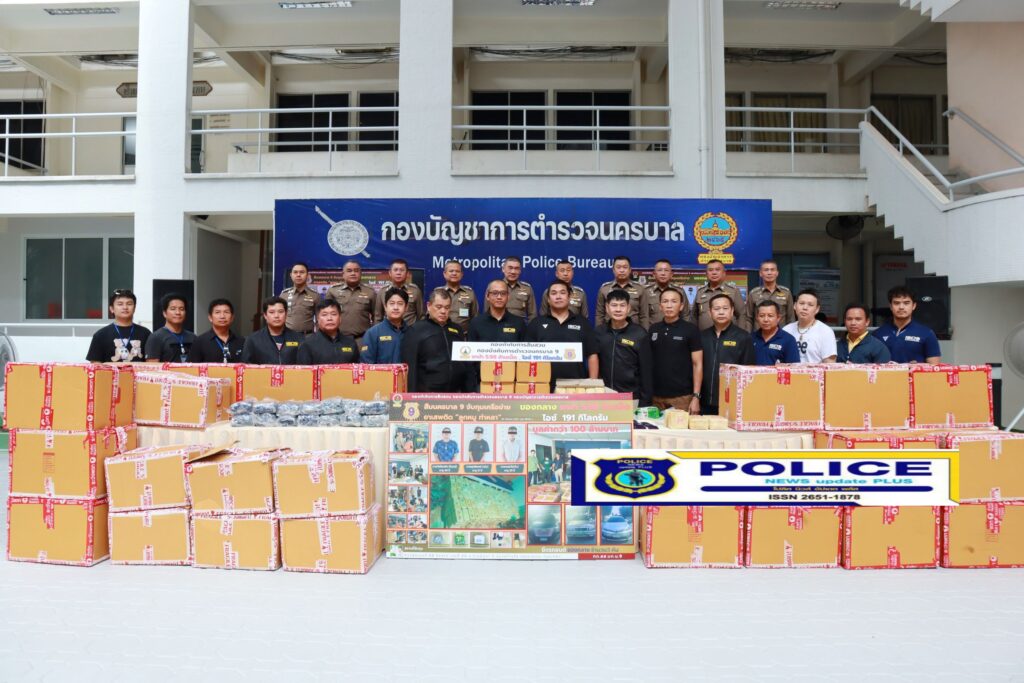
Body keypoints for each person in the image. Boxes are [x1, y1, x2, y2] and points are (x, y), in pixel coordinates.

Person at [525, 281, 600, 391]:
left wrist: (593, 386)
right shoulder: (536, 324)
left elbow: (592, 355)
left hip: (576, 387)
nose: (558, 296)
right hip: (544, 387)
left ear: (569, 297)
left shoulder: (583, 323)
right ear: (548, 299)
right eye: (554, 293)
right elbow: (526, 357)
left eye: (562, 293)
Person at [400, 289, 468, 391]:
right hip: (427, 393)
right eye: (439, 307)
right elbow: (410, 368)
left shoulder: (457, 330)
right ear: (429, 306)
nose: (443, 311)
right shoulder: (416, 330)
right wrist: (411, 395)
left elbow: (464, 364)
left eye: (447, 307)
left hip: (454, 393)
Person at [699, 293, 755, 416]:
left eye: (725, 308)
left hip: (732, 401)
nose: (721, 312)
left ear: (732, 311)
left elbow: (748, 371)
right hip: (704, 402)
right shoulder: (702, 337)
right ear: (710, 312)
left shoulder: (743, 337)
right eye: (716, 309)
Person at [595, 289, 653, 406]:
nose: (618, 309)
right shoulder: (599, 333)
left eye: (622, 305)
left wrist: (645, 402)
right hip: (604, 395)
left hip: (631, 397)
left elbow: (647, 371)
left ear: (628, 308)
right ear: (607, 308)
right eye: (614, 305)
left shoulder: (640, 334)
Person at [648, 287, 702, 413]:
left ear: (681, 306)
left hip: (682, 397)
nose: (669, 305)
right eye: (665, 301)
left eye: (673, 301)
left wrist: (696, 397)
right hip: (656, 397)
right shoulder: (653, 329)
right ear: (660, 306)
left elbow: (697, 364)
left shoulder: (691, 330)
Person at [872, 286, 941, 364]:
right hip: (885, 372)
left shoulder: (927, 333)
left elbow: (934, 367)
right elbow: (870, 365)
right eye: (896, 303)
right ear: (891, 306)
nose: (901, 307)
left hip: (914, 372)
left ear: (914, 306)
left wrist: (919, 366)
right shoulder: (878, 334)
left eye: (906, 303)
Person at [86, 288, 151, 362]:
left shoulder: (146, 333)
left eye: (129, 304)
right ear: (111, 309)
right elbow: (95, 364)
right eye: (120, 304)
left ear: (134, 308)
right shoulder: (100, 335)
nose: (125, 307)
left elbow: (151, 363)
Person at [241, 296, 304, 365]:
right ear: (265, 315)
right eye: (272, 312)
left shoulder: (299, 338)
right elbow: (246, 367)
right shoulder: (253, 340)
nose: (276, 316)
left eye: (280, 312)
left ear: (286, 314)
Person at [324, 260, 376, 342]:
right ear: (343, 274)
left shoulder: (370, 292)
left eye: (356, 271)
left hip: (363, 339)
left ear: (361, 273)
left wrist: (374, 336)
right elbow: (326, 315)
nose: (353, 273)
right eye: (349, 271)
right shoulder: (333, 291)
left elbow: (376, 316)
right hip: (338, 339)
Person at [783, 289, 838, 363]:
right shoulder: (786, 330)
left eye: (810, 305)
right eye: (801, 303)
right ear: (795, 306)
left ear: (817, 309)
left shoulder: (825, 332)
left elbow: (830, 364)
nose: (805, 308)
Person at [691, 259, 747, 331]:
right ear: (706, 274)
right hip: (703, 335)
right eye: (710, 270)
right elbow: (694, 316)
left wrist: (740, 334)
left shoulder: (733, 291)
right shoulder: (700, 292)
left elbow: (741, 314)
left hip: (729, 336)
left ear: (724, 273)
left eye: (717, 270)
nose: (714, 273)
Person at [297, 300, 360, 364]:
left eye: (333, 314)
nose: (329, 318)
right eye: (324, 315)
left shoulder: (350, 343)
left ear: (340, 318)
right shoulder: (307, 344)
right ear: (317, 319)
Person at [595, 255, 650, 328]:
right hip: (610, 330)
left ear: (630, 270)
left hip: (634, 331)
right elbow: (599, 314)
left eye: (625, 267)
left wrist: (644, 333)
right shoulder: (604, 289)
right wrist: (599, 332)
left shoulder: (640, 289)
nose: (622, 270)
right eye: (618, 267)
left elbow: (644, 315)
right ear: (613, 270)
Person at [188, 298, 245, 363]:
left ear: (232, 318)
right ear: (210, 318)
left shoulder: (242, 341)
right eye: (217, 312)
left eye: (226, 312)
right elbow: (192, 366)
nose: (222, 316)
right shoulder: (200, 341)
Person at [361, 288, 409, 364]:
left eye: (400, 304)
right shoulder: (373, 333)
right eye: (392, 303)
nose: (396, 308)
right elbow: (366, 364)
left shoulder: (411, 333)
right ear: (385, 307)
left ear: (406, 307)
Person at [145, 293, 196, 363]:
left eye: (181, 309)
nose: (178, 312)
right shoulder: (156, 337)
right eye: (173, 309)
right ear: (164, 313)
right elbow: (152, 367)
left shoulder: (193, 337)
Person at [483, 256, 536, 322]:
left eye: (516, 268)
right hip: (498, 325)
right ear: (503, 269)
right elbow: (486, 311)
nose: (513, 272)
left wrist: (529, 328)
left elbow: (532, 314)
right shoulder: (493, 286)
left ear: (520, 271)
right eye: (510, 268)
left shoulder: (527, 288)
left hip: (520, 326)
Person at [374, 258, 424, 327]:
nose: (398, 273)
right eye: (395, 270)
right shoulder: (382, 292)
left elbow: (421, 316)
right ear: (390, 273)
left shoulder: (415, 291)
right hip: (389, 331)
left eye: (402, 270)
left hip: (410, 331)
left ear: (407, 273)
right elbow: (378, 317)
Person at [434, 260, 477, 335]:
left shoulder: (470, 293)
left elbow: (474, 318)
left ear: (462, 274)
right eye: (451, 271)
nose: (454, 273)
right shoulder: (437, 292)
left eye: (457, 271)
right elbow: (431, 316)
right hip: (441, 335)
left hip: (463, 336)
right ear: (444, 274)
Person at [752, 300, 800, 366]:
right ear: (757, 318)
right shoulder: (751, 338)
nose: (766, 319)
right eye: (762, 316)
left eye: (770, 316)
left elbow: (794, 368)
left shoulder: (788, 340)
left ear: (778, 318)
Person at [646, 259, 690, 327]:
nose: (663, 273)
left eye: (666, 270)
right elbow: (643, 316)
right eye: (660, 270)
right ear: (654, 274)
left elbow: (685, 315)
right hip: (653, 331)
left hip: (676, 331)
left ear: (671, 274)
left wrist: (683, 330)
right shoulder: (646, 292)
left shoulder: (679, 291)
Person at [280, 262, 321, 335]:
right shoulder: (284, 295)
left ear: (307, 275)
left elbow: (319, 319)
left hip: (307, 337)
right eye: (295, 272)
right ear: (291, 275)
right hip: (288, 336)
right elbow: (280, 317)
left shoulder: (315, 295)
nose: (298, 275)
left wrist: (318, 337)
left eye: (302, 272)